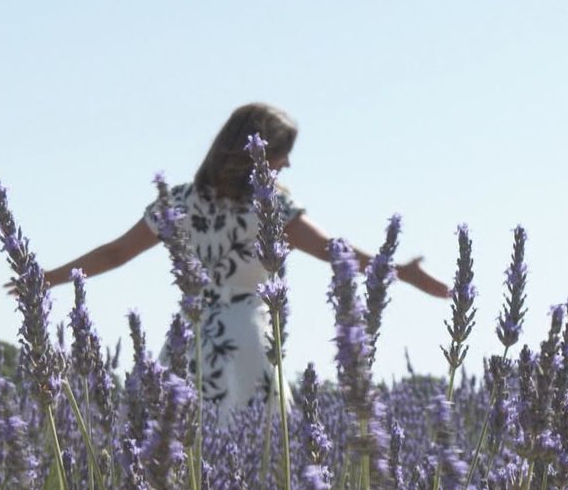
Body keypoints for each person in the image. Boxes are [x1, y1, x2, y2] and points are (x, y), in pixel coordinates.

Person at [39, 102, 450, 417]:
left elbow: (116, 252)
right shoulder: (272, 206)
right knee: (259, 460)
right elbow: (334, 253)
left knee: (186, 455)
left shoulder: (178, 201)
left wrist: (44, 278)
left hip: (191, 338)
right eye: (283, 153)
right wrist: (402, 273)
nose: (287, 163)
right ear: (256, 152)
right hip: (249, 338)